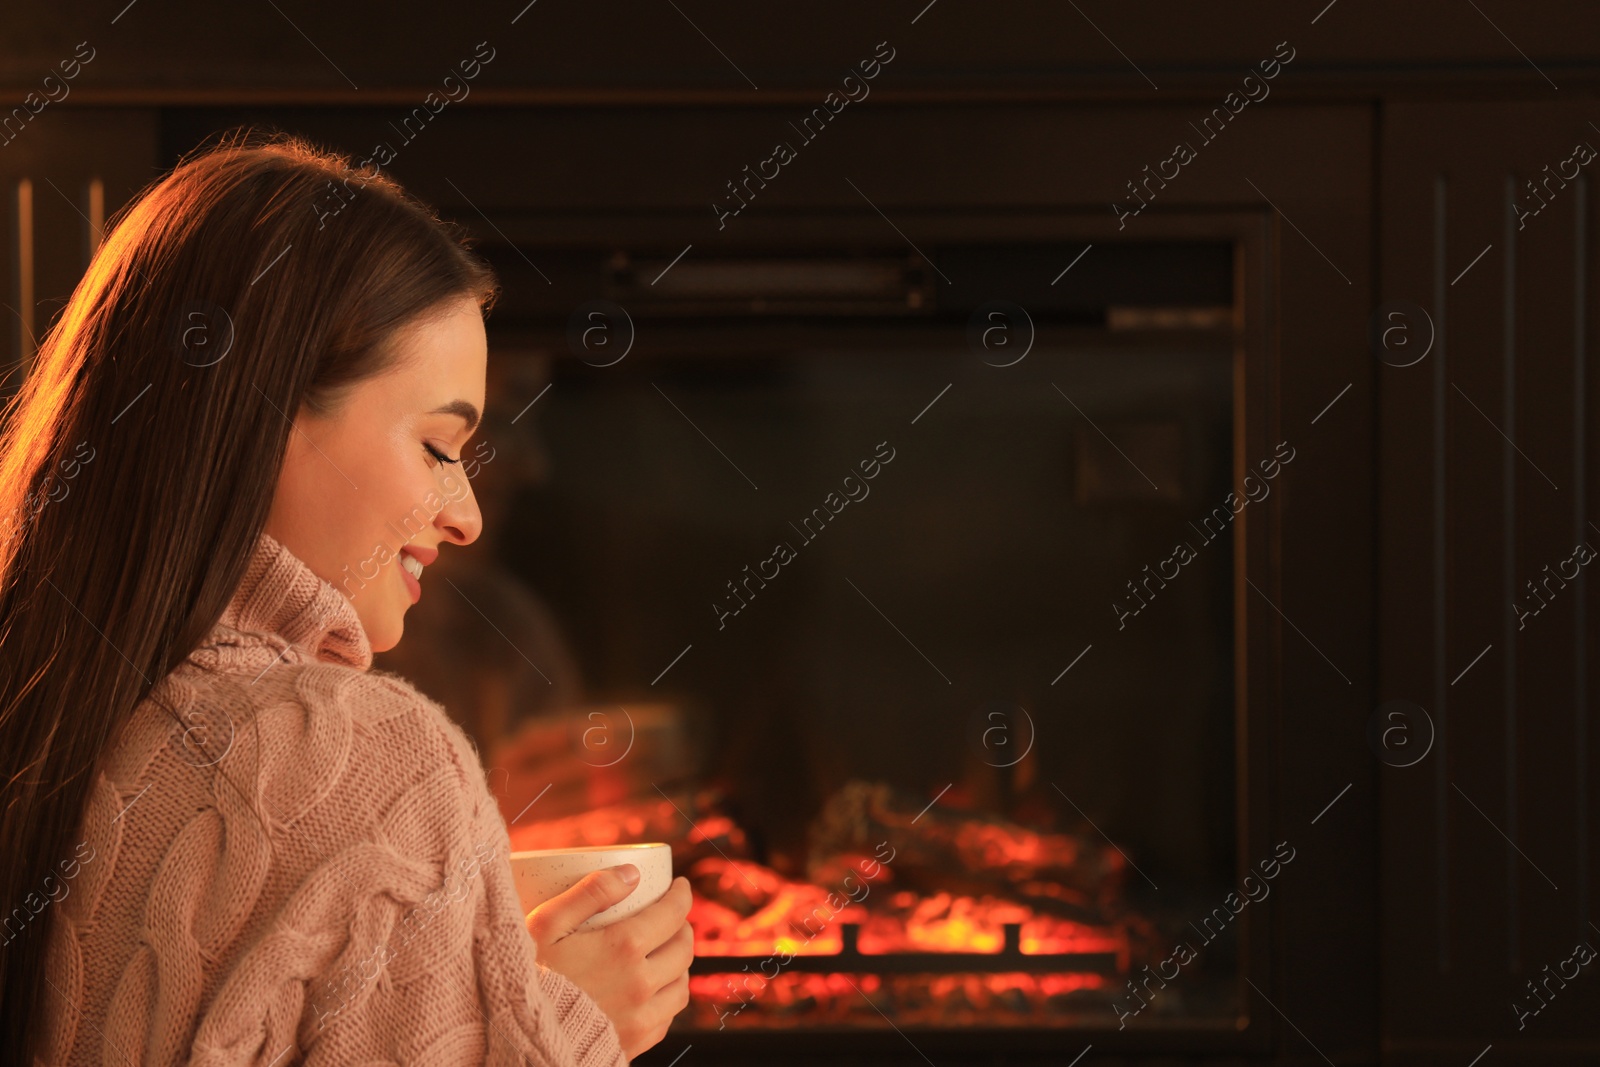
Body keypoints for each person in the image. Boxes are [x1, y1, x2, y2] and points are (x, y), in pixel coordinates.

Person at [0, 129, 692, 1065]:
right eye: (440, 449)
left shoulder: (48, 708)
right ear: (265, 411)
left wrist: (461, 998)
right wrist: (563, 1025)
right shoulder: (367, 758)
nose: (468, 517)